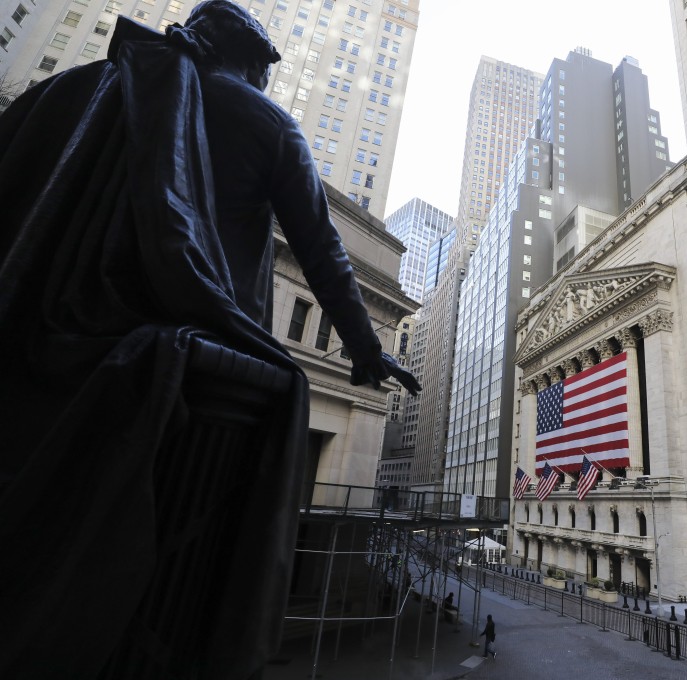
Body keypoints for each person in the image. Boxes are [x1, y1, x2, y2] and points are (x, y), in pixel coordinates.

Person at [0, 2, 419, 679]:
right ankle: (215, 639)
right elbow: (323, 253)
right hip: (194, 367)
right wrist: (366, 354)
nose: (264, 86)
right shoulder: (266, 121)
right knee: (271, 412)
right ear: (251, 63)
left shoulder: (87, 86)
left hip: (47, 334)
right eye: (262, 72)